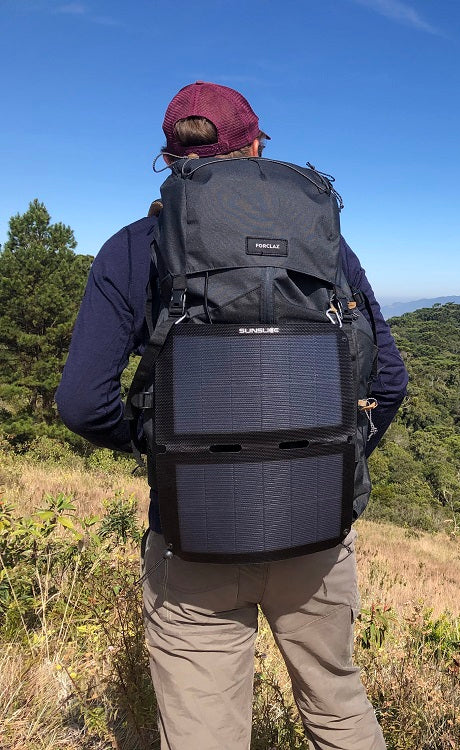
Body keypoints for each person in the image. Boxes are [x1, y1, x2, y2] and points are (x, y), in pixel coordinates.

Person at [56, 81, 408, 750]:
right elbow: (388, 381)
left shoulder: (134, 248)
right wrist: (334, 454)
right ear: (255, 148)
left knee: (203, 735)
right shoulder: (326, 247)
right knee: (336, 706)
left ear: (170, 158)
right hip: (316, 526)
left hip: (197, 533)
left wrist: (160, 444)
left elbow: (81, 401)